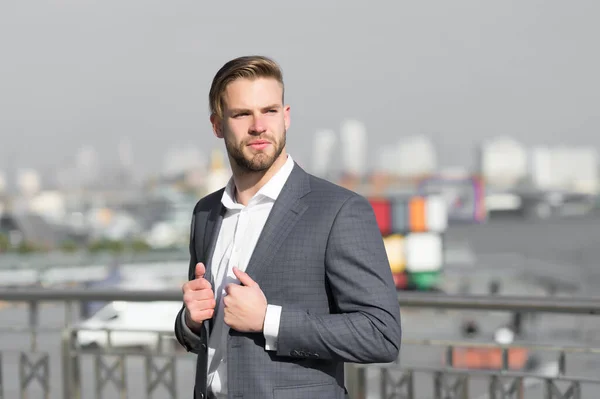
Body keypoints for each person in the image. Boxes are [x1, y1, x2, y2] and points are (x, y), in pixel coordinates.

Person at [174, 55, 402, 399]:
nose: (258, 126)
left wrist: (269, 319)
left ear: (286, 116)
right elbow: (206, 336)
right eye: (241, 114)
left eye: (269, 110)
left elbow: (381, 334)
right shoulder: (205, 213)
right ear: (218, 125)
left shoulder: (338, 210)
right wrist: (190, 322)